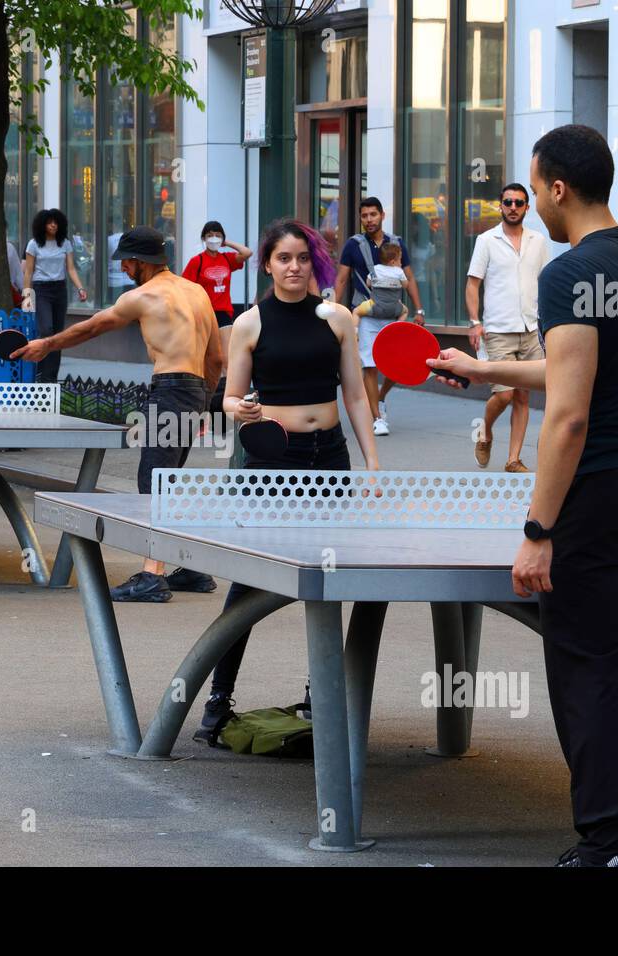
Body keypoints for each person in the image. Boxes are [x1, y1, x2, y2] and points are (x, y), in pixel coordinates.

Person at [429, 124, 618, 869]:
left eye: (536, 186)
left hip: (594, 494)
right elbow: (577, 373)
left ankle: (604, 841)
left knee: (588, 664)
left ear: (557, 188)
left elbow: (570, 413)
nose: (534, 203)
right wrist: (487, 371)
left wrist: (538, 527)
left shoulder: (567, 273)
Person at [193, 219, 379, 744]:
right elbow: (228, 398)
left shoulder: (338, 318)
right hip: (272, 459)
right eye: (283, 259)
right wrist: (243, 408)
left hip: (329, 459)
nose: (293, 267)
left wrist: (373, 464)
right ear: (268, 264)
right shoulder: (251, 323)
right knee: (249, 581)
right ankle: (218, 696)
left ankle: (317, 694)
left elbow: (357, 397)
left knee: (327, 577)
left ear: (311, 261)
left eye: (301, 258)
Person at [12, 226, 223, 602]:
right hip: (194, 391)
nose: (123, 269)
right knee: (169, 481)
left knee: (153, 483)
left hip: (170, 389)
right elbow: (216, 359)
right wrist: (204, 401)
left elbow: (93, 327)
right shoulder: (197, 292)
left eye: (126, 262)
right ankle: (190, 566)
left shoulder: (141, 296)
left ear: (140, 262)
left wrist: (47, 343)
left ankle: (152, 575)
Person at [465, 182, 550, 474]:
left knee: (523, 396)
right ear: (500, 205)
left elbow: (545, 283)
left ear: (527, 207)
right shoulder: (486, 240)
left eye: (519, 203)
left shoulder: (538, 241)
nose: (513, 207)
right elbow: (473, 284)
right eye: (508, 202)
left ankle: (513, 459)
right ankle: (485, 431)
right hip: (498, 329)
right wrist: (475, 322)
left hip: (530, 328)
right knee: (503, 394)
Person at [333, 197, 426, 437]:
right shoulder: (353, 245)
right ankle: (377, 418)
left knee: (397, 365)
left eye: (373, 215)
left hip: (393, 314)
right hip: (366, 315)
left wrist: (419, 310)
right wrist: (333, 310)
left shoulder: (396, 243)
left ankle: (381, 397)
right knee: (370, 365)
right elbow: (342, 279)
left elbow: (410, 277)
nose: (368, 220)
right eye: (364, 216)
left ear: (382, 215)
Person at [181, 220, 253, 416]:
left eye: (217, 235)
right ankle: (205, 406)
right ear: (204, 238)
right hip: (204, 313)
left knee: (227, 360)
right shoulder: (198, 261)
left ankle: (226, 405)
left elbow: (247, 253)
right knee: (208, 360)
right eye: (210, 235)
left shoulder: (227, 259)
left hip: (224, 313)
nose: (213, 238)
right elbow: (184, 286)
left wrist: (226, 242)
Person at [22, 208, 88, 383]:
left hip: (59, 289)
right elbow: (28, 272)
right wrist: (26, 296)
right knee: (46, 330)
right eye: (50, 222)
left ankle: (50, 378)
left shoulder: (64, 243)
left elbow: (71, 269)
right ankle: (41, 376)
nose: (53, 225)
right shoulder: (34, 244)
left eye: (56, 222)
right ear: (42, 224)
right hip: (41, 290)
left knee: (58, 336)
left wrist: (80, 288)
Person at [354, 241, 409, 321]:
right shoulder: (399, 272)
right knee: (405, 311)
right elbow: (405, 285)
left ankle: (355, 331)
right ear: (393, 262)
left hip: (375, 306)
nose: (401, 263)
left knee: (356, 312)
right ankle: (396, 328)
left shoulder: (375, 269)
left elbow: (368, 283)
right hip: (394, 308)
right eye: (400, 260)